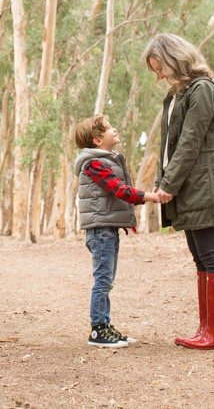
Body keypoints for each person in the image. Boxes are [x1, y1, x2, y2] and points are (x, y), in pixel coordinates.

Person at [144, 33, 214, 350]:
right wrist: (161, 180)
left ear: (176, 58)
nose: (160, 76)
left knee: (212, 256)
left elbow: (191, 143)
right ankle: (206, 328)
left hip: (204, 184)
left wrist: (169, 185)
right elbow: (169, 146)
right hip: (187, 185)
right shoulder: (176, 96)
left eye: (161, 68)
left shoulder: (204, 90)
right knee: (200, 258)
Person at [73, 115, 159, 348]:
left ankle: (105, 326)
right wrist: (151, 197)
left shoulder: (105, 160)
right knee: (103, 281)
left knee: (107, 280)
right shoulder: (94, 164)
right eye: (110, 128)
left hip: (107, 229)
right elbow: (118, 190)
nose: (115, 129)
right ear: (97, 140)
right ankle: (97, 330)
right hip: (101, 230)